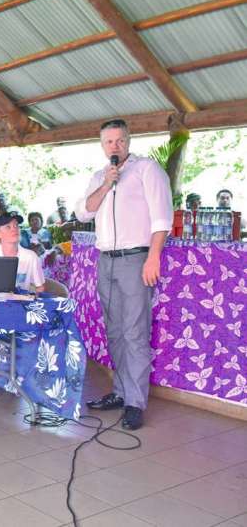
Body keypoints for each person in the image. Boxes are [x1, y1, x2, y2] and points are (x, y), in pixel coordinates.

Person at [74, 118, 172, 431]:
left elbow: (161, 218)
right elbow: (83, 212)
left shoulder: (147, 170)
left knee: (135, 332)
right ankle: (120, 391)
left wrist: (153, 257)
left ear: (128, 140)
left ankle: (135, 402)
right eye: (108, 142)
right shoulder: (99, 176)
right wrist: (106, 183)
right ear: (102, 145)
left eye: (119, 140)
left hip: (135, 259)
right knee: (114, 331)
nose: (114, 146)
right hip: (107, 260)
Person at [0, 211, 46, 398]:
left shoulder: (30, 256)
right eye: (8, 226)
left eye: (16, 226)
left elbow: (40, 288)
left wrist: (29, 300)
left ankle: (23, 379)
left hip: (19, 310)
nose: (14, 229)